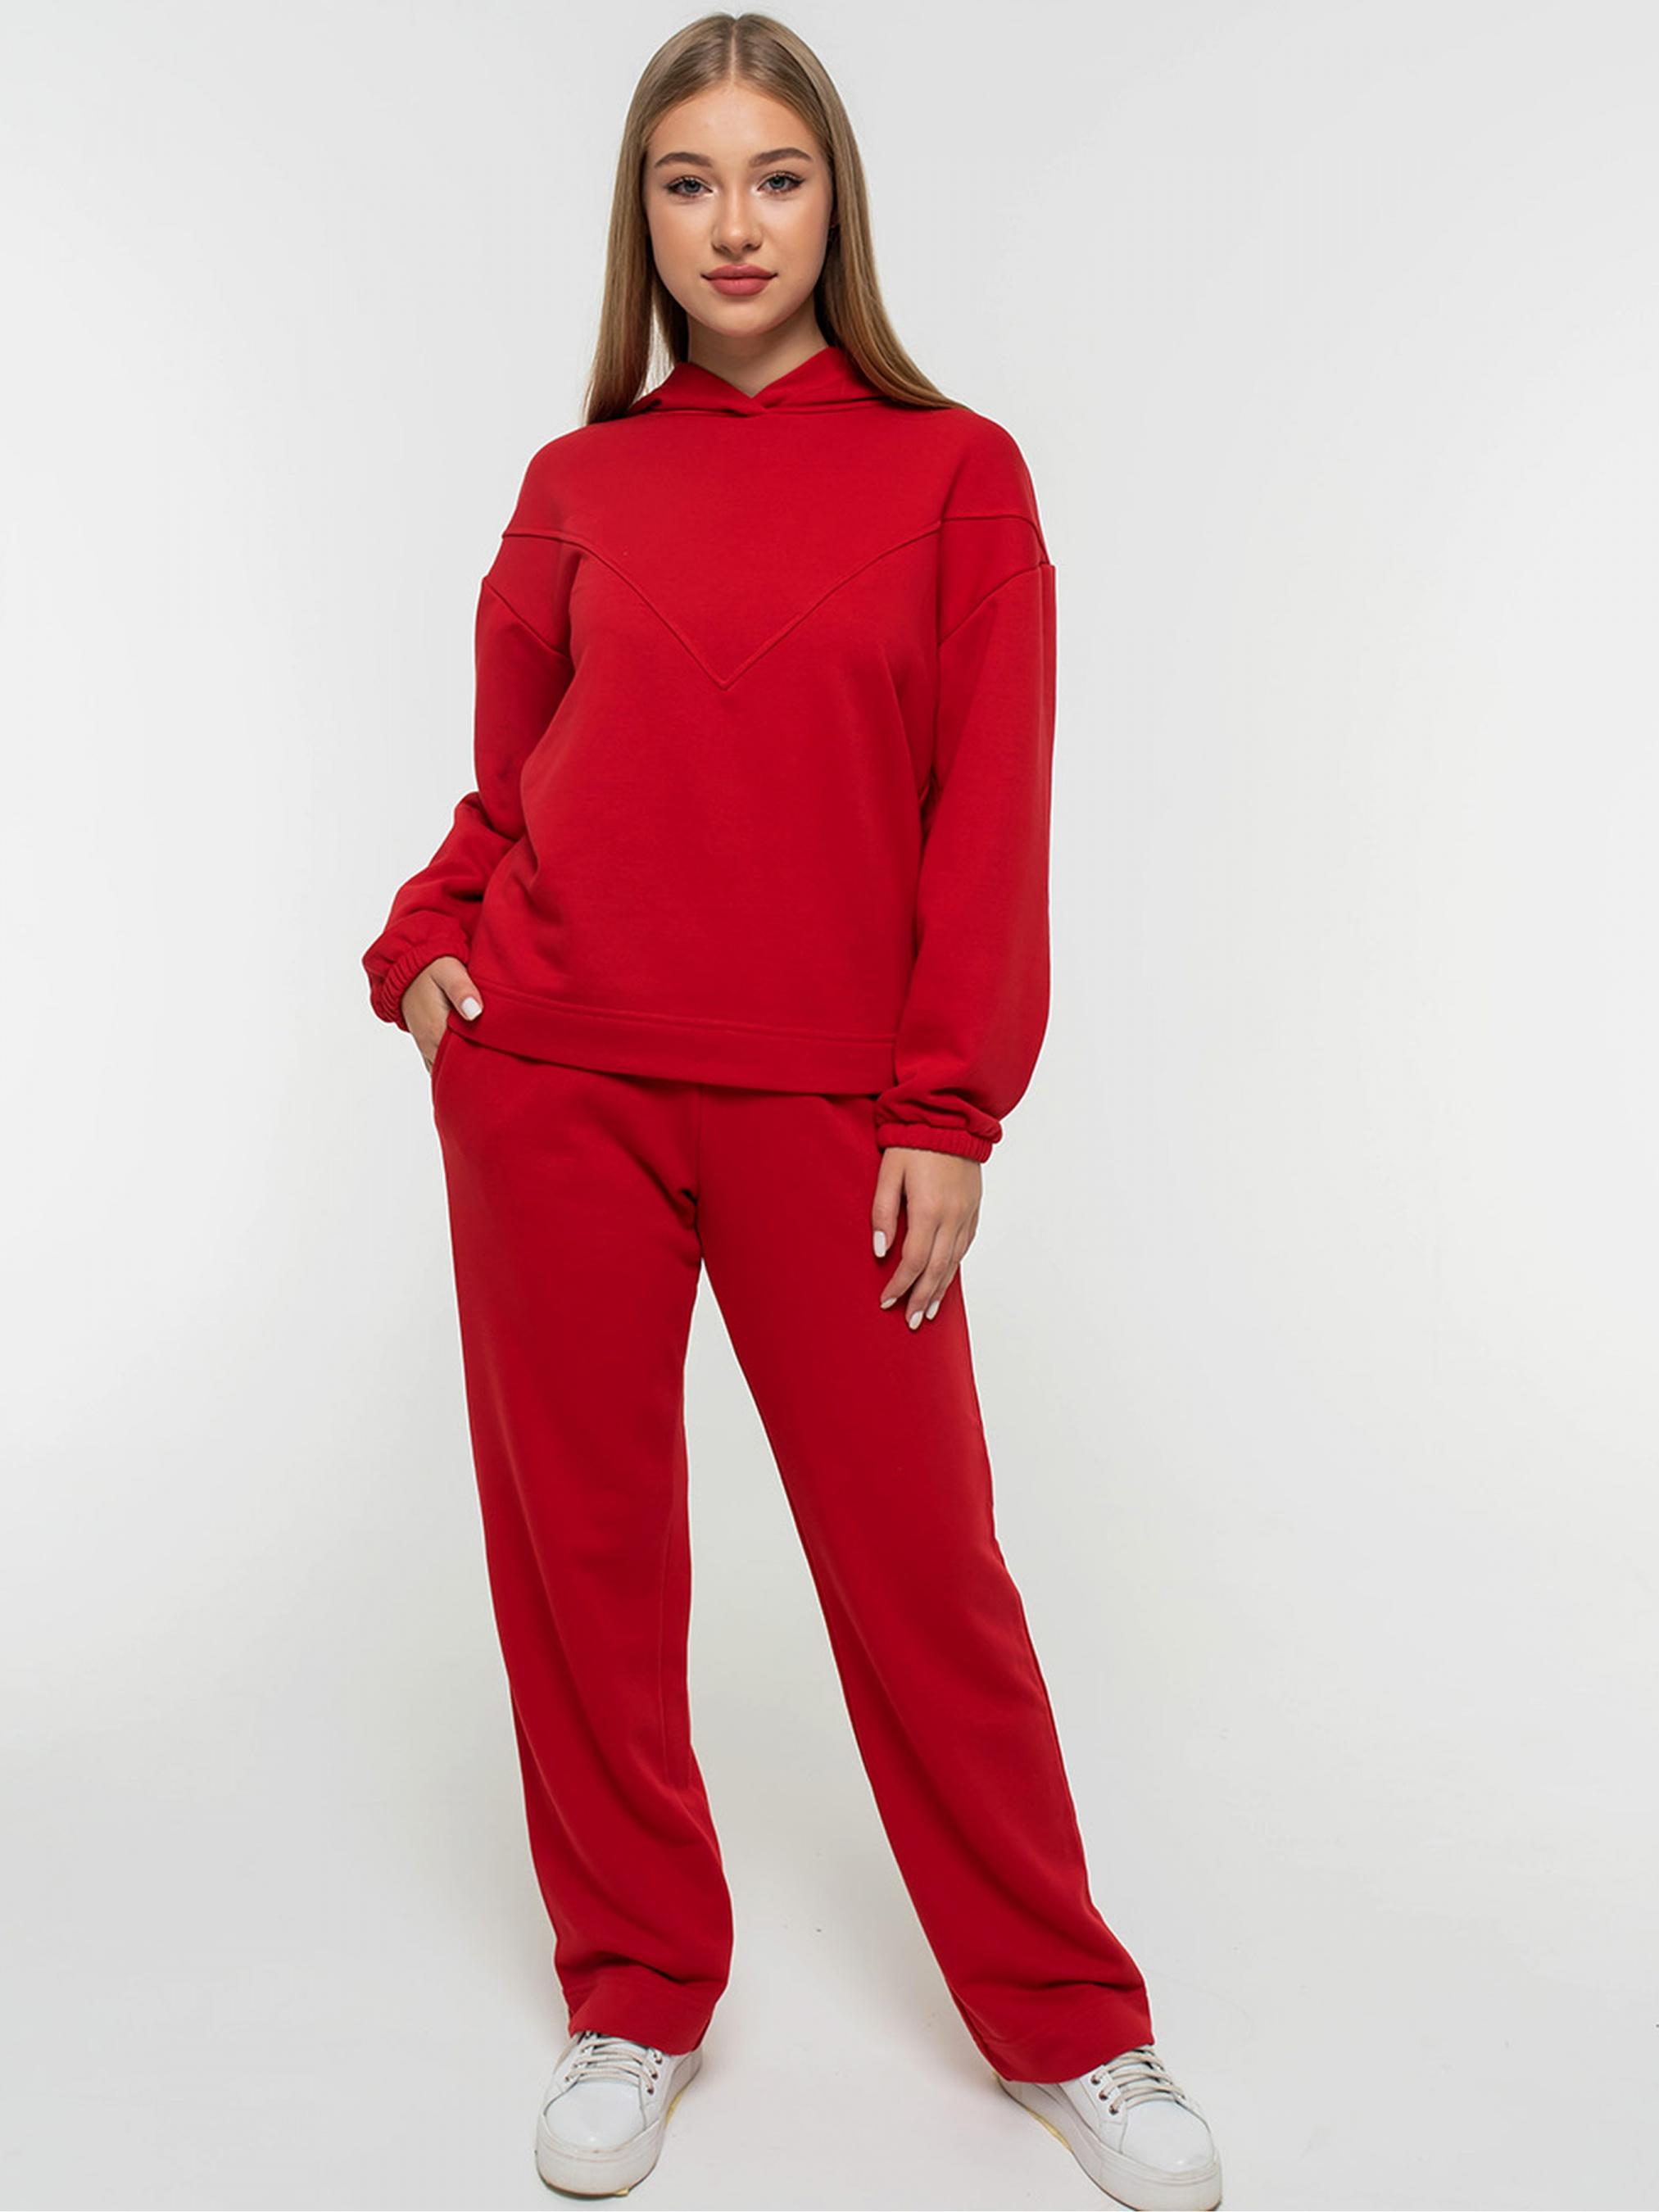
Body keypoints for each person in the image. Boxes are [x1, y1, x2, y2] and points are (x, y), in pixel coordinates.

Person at [360, 13, 1224, 2209]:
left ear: (835, 202)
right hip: (554, 1081)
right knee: (586, 1559)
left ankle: (1071, 2022)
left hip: (836, 1113)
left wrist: (949, 1107)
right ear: (639, 218)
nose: (732, 224)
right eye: (687, 181)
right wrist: (429, 946)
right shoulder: (579, 485)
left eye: (773, 176)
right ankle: (636, 1990)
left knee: (922, 1568)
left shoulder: (956, 475)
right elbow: (511, 784)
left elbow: (987, 818)